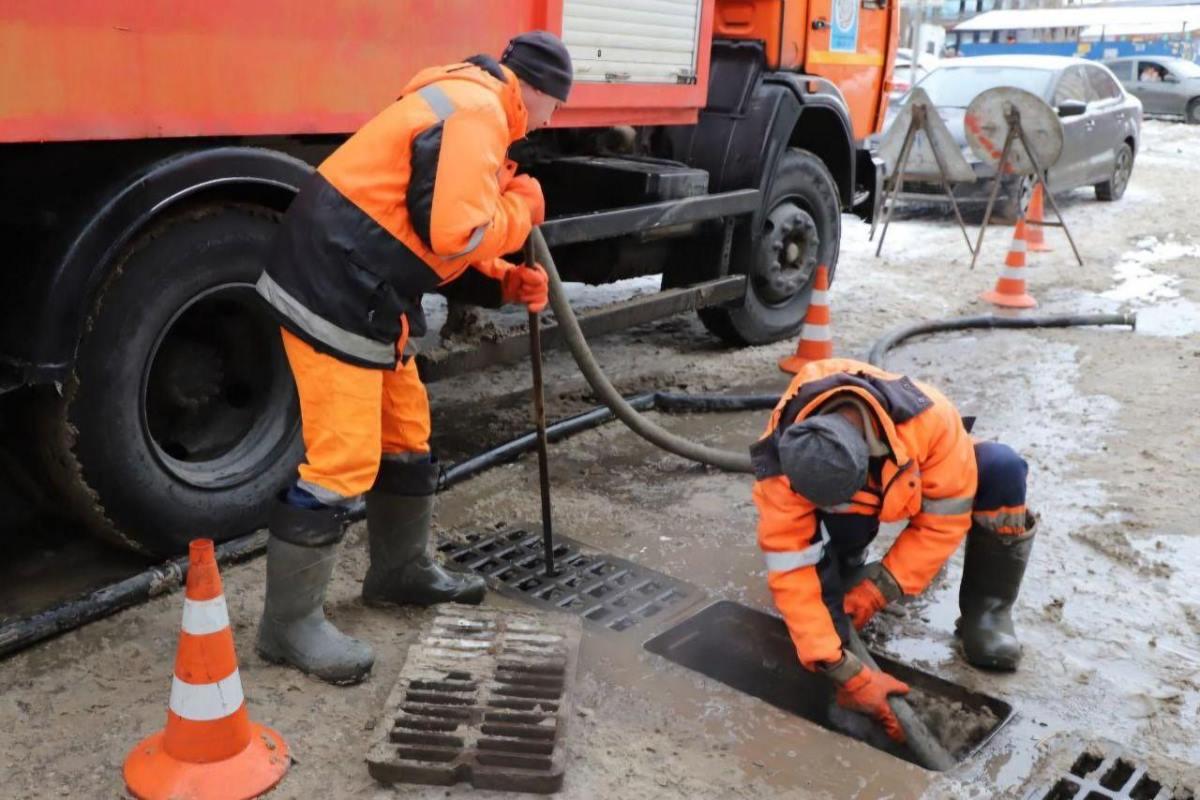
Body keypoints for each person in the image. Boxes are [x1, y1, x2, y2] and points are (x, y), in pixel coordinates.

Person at [253, 31, 573, 685]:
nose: (551, 122)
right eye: (555, 107)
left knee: (407, 433)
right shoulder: (479, 111)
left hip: (371, 285)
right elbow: (456, 229)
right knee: (343, 460)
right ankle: (286, 628)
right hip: (333, 283)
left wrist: (502, 277)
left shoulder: (469, 103)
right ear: (538, 92)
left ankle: (398, 572)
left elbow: (425, 214)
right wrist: (521, 211)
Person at [750, 358, 1035, 741]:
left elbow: (940, 524)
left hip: (909, 468)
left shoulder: (932, 420)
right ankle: (842, 566)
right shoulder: (786, 456)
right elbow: (790, 562)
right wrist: (838, 666)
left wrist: (880, 588)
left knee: (1002, 467)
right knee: (821, 580)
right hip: (855, 487)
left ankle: (987, 613)